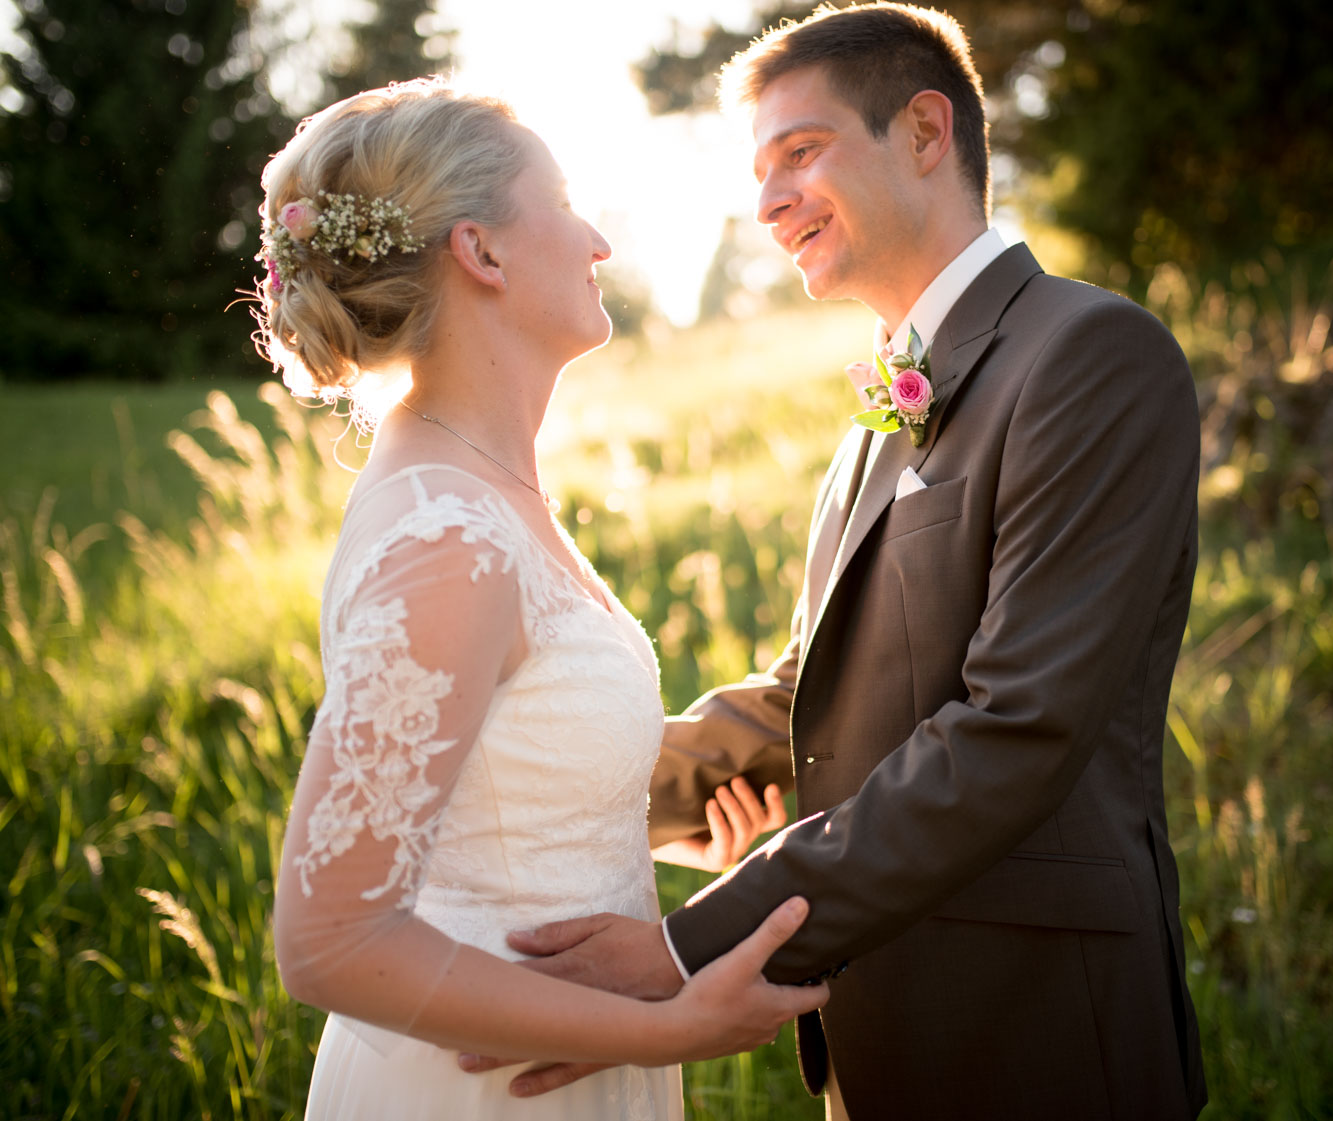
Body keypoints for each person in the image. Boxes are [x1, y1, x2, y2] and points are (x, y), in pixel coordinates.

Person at [486, 5, 1208, 1118]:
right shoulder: (877, 415)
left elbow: (1018, 729)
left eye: (801, 153)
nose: (769, 202)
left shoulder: (1090, 356)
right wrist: (526, 791)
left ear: (924, 132)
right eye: (760, 172)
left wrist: (686, 946)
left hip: (1040, 1029)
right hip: (878, 1033)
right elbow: (809, 701)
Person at [259, 78, 825, 1119]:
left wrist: (626, 827)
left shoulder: (483, 488)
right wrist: (674, 1026)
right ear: (481, 251)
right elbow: (328, 938)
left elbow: (483, 780)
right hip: (484, 1091)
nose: (598, 241)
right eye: (563, 203)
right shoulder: (447, 536)